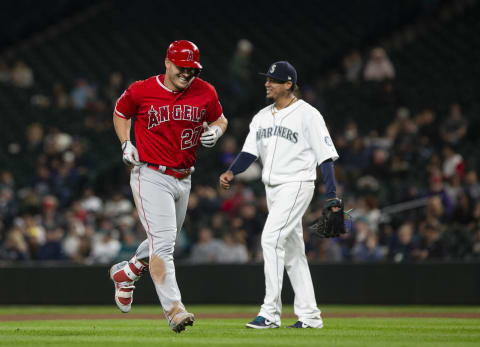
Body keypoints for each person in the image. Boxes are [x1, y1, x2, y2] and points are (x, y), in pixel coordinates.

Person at [110, 40, 228, 333]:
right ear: (167, 62)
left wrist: (216, 130)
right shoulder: (142, 89)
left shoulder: (205, 91)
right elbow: (120, 112)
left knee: (164, 242)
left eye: (192, 69)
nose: (187, 74)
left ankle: (128, 272)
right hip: (149, 173)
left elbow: (220, 119)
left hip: (184, 176)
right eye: (181, 67)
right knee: (163, 244)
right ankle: (175, 310)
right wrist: (126, 144)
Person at [219, 61, 339, 329]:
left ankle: (270, 313)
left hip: (297, 184)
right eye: (267, 79)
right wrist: (231, 172)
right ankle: (310, 316)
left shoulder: (308, 114)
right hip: (271, 189)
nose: (267, 83)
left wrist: (331, 195)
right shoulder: (261, 116)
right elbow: (249, 152)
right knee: (294, 253)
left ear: (288, 84)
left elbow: (326, 157)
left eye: (273, 80)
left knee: (271, 239)